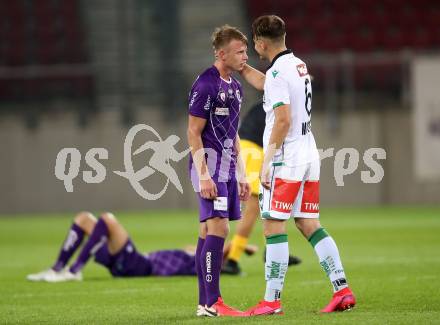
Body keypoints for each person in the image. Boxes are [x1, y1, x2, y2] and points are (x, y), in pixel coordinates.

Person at [238, 15, 356, 315]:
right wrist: (241, 68)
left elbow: (283, 119)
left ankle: (271, 300)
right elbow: (268, 85)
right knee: (308, 223)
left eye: (254, 44)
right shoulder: (297, 66)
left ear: (261, 42)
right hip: (308, 154)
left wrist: (266, 162)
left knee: (273, 227)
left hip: (285, 158)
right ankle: (342, 290)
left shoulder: (278, 73)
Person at [187, 25, 250, 317]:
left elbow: (234, 133)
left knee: (207, 230)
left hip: (227, 169)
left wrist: (242, 173)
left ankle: (204, 303)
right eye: (240, 51)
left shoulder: (236, 87)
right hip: (209, 168)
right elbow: (192, 132)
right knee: (219, 227)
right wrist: (203, 174)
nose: (245, 56)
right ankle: (214, 302)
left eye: (246, 51)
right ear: (222, 53)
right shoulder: (205, 84)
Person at [222, 101, 302, 275]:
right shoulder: (280, 104)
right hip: (253, 151)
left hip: (251, 150)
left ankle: (271, 251)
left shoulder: (267, 103)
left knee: (269, 204)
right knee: (253, 209)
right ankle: (232, 260)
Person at [27, 211, 196, 282]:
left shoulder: (206, 261)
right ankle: (57, 269)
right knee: (83, 218)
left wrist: (222, 247)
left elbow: (221, 250)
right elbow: (191, 247)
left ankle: (74, 271)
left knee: (108, 219)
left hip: (140, 266)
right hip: (130, 262)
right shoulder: (195, 253)